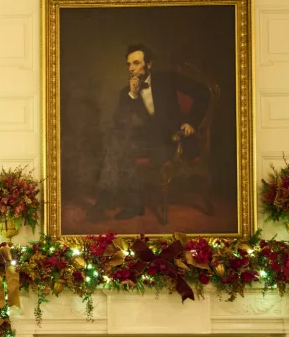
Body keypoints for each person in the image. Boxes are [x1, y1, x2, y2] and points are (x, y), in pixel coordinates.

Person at [87, 44, 211, 222]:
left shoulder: (168, 79)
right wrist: (133, 96)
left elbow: (203, 93)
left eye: (136, 63)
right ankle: (120, 204)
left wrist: (191, 122)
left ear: (149, 64)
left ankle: (113, 203)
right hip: (147, 143)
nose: (131, 69)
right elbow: (120, 123)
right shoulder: (127, 92)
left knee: (122, 147)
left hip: (174, 139)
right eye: (129, 64)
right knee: (118, 144)